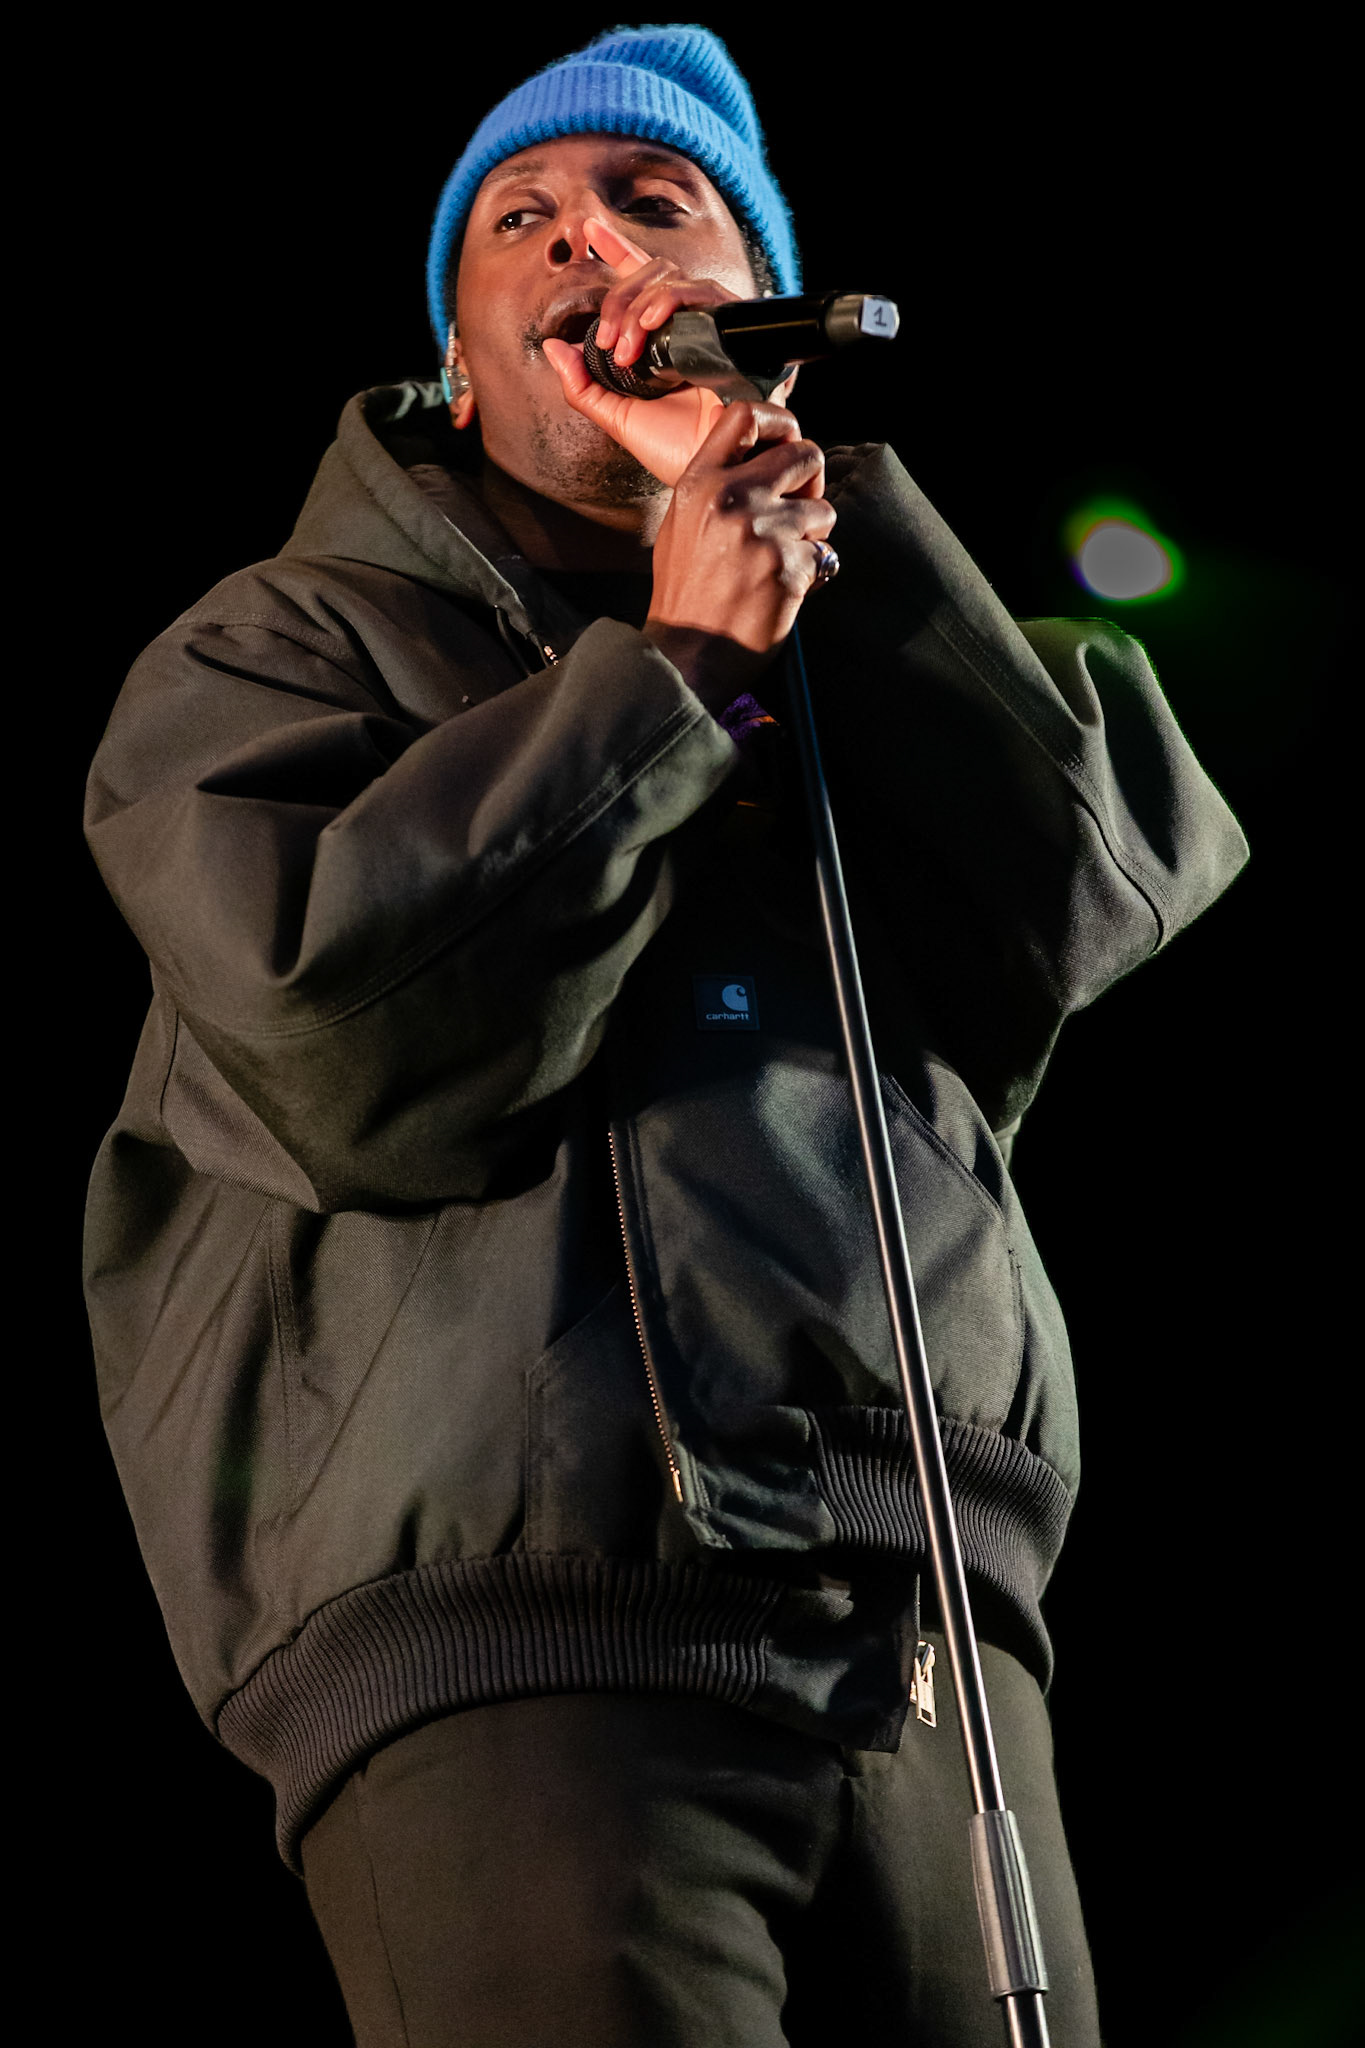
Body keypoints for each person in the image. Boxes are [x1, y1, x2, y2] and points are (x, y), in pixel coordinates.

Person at [82, 25, 1247, 2047]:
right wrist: (671, 667)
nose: (587, 246)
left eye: (655, 205)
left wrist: (812, 544)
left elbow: (1076, 896)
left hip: (925, 1634)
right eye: (518, 222)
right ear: (459, 355)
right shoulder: (281, 646)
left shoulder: (864, 625)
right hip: (523, 1641)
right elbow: (354, 1041)